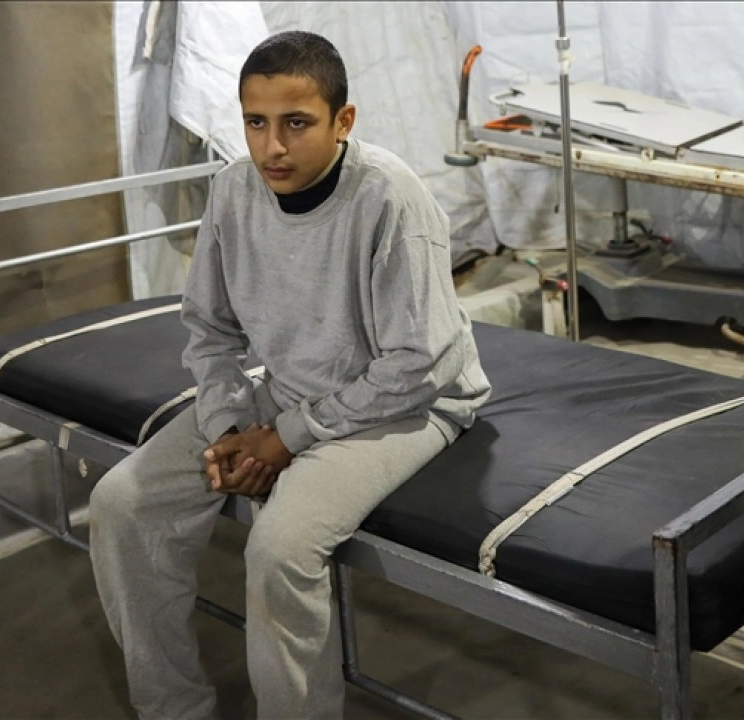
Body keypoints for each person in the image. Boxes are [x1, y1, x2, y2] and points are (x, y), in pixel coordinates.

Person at [89, 30, 491, 720]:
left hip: (412, 405)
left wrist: (286, 439)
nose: (271, 146)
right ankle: (172, 708)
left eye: (296, 123)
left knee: (279, 549)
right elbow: (210, 328)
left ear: (343, 121)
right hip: (293, 392)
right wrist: (229, 427)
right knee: (121, 504)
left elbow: (421, 363)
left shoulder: (390, 199)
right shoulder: (233, 191)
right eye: (256, 122)